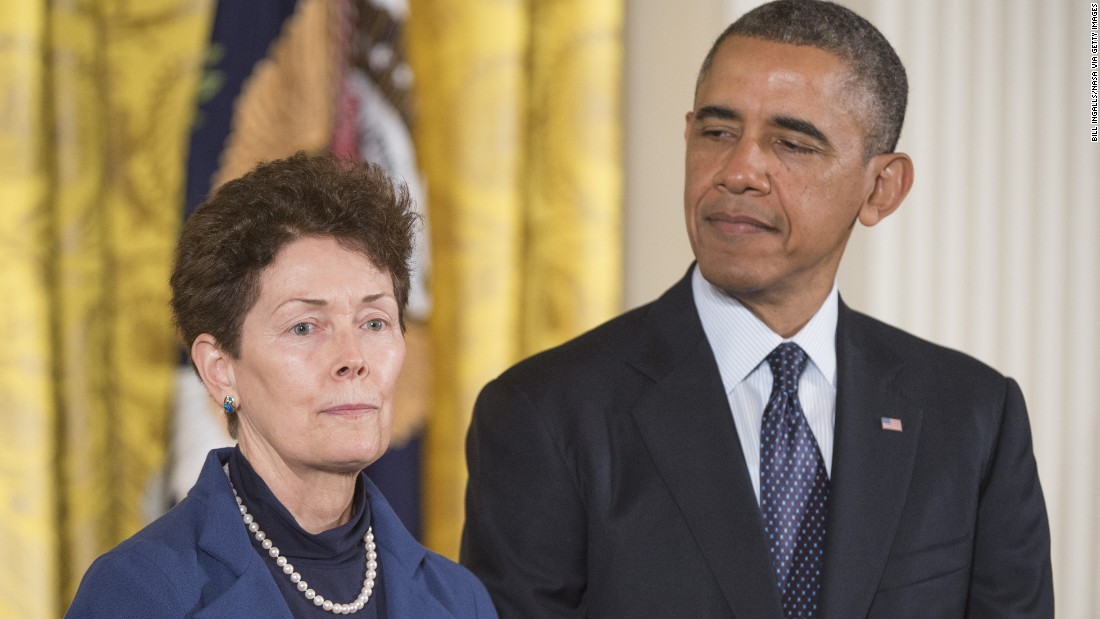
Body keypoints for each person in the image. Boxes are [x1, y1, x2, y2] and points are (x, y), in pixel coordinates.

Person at [459, 1, 1054, 618]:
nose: (739, 171)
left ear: (881, 188)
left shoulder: (974, 417)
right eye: (717, 133)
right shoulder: (544, 413)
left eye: (792, 143)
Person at [67, 153, 497, 618]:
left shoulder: (458, 599)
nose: (352, 359)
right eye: (304, 327)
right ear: (219, 369)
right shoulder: (141, 594)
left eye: (374, 323)